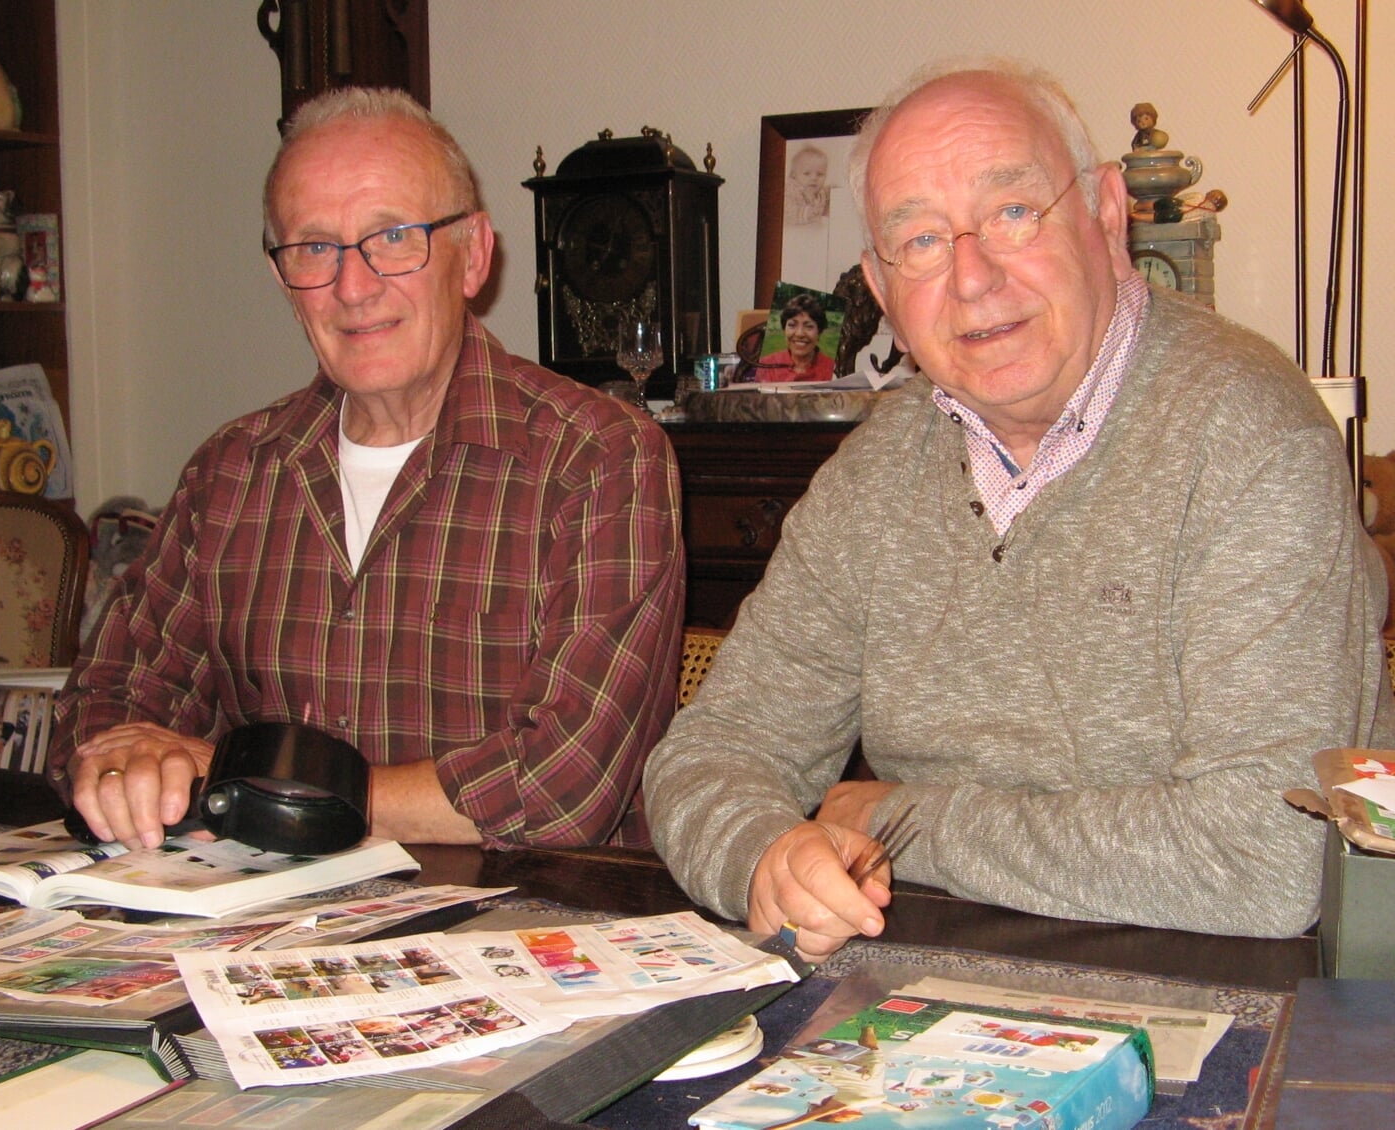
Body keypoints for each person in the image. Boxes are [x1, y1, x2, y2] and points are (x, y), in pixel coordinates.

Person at [643, 60, 1395, 958]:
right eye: (920, 240)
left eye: (1011, 213)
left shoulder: (1249, 435)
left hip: (1234, 985)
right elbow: (709, 753)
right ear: (881, 292)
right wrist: (764, 855)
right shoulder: (880, 470)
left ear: (1107, 216)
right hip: (953, 985)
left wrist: (902, 819)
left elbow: (1264, 856)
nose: (971, 278)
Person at [49, 87, 684, 853]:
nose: (353, 287)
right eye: (314, 249)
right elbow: (106, 704)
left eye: (393, 237)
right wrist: (126, 767)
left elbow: (561, 786)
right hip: (259, 929)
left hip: (520, 931)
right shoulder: (229, 475)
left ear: (473, 255)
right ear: (285, 282)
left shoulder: (599, 458)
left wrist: (251, 782)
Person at [758, 293, 837, 382]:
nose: (799, 334)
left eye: (809, 326)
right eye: (792, 325)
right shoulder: (765, 366)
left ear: (819, 332)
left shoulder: (833, 369)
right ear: (784, 330)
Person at [785, 145, 831, 226]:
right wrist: (806, 213)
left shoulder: (821, 193)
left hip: (812, 233)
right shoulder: (791, 190)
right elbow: (786, 212)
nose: (814, 178)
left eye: (820, 174)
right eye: (807, 174)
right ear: (794, 175)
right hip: (794, 232)